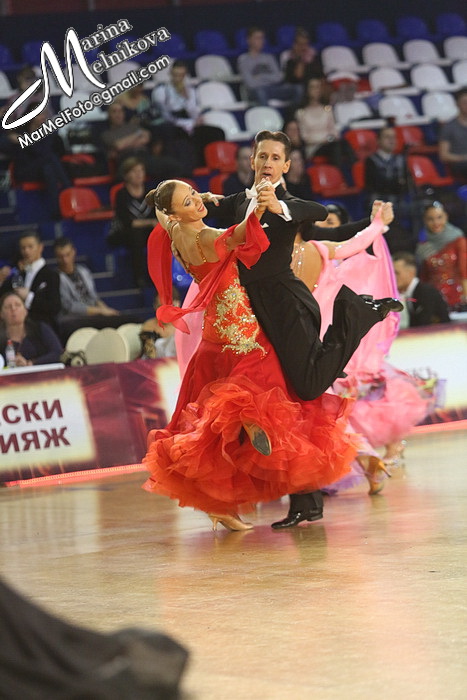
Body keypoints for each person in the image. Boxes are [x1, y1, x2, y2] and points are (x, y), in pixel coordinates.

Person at [202, 129, 403, 527]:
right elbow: (216, 205)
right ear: (252, 160)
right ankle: (305, 501)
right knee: (290, 402)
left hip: (287, 304)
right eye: (262, 156)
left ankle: (357, 315)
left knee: (308, 387)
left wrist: (280, 206)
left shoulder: (291, 206)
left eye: (276, 157)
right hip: (252, 309)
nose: (267, 163)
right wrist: (198, 201)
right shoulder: (241, 201)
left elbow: (318, 214)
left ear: (287, 165)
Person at [142, 179, 369, 531]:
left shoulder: (174, 234)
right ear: (175, 213)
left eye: (194, 194)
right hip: (243, 333)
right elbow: (242, 234)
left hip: (213, 336)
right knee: (276, 394)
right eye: (188, 202)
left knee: (210, 431)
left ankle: (219, 502)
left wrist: (199, 201)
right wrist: (260, 205)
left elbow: (163, 213)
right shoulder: (205, 237)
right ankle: (249, 418)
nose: (197, 202)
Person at [291, 203, 438, 488]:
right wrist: (377, 224)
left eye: (332, 223)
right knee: (330, 407)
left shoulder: (285, 257)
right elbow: (354, 245)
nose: (327, 228)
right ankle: (357, 460)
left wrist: (376, 226)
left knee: (328, 407)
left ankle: (358, 459)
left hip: (325, 341)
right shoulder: (322, 251)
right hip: (331, 339)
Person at [364, 126, 414, 252]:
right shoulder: (371, 161)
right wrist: (397, 184)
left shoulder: (401, 159)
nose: (391, 140)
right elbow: (376, 185)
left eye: (393, 137)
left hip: (399, 200)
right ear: (378, 141)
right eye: (387, 137)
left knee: (419, 208)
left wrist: (397, 185)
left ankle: (415, 245)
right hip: (380, 202)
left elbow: (408, 183)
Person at [110, 157, 158, 288]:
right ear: (126, 175)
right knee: (136, 235)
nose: (139, 174)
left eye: (141, 170)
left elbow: (157, 216)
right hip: (125, 232)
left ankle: (160, 275)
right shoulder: (121, 194)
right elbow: (126, 222)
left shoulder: (150, 192)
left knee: (160, 235)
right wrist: (149, 222)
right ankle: (139, 278)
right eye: (134, 171)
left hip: (146, 230)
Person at [0, 231, 61, 329]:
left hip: (43, 327)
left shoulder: (51, 275)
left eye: (30, 247)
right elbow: (3, 294)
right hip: (18, 328)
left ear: (40, 247)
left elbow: (54, 307)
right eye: (23, 248)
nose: (26, 251)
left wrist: (29, 297)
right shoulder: (19, 274)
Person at [294, 77, 356, 169]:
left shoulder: (327, 110)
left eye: (318, 87)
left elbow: (334, 131)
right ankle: (338, 172)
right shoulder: (301, 113)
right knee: (335, 146)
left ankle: (355, 170)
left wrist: (330, 139)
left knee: (344, 143)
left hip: (329, 143)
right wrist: (325, 139)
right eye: (313, 87)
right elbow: (305, 137)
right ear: (307, 90)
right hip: (314, 147)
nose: (316, 90)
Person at [416, 202, 467, 310]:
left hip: (459, 299)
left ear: (446, 217)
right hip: (433, 300)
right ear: (425, 221)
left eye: (439, 217)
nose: (436, 223)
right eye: (430, 219)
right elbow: (424, 277)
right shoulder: (423, 247)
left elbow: (464, 271)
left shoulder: (458, 241)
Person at [237, 27, 302, 107]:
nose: (261, 41)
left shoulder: (269, 58)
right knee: (260, 92)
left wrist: (260, 77)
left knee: (298, 89)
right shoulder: (243, 59)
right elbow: (250, 83)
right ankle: (268, 114)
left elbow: (279, 78)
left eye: (262, 38)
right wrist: (269, 78)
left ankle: (294, 113)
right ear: (249, 40)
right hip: (256, 91)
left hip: (273, 89)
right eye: (257, 38)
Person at [0, 291, 63, 366]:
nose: (13, 309)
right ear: (1, 314)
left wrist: (31, 363)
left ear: (25, 311)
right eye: (8, 307)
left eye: (18, 305)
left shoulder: (40, 328)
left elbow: (58, 353)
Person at [392, 251, 451, 327]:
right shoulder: (410, 293)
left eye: (396, 273)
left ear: (411, 272)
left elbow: (426, 324)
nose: (393, 277)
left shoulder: (427, 293)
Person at [438, 88, 467, 181]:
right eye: (465, 102)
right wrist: (463, 158)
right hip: (460, 164)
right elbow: (444, 155)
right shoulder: (449, 127)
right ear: (457, 104)